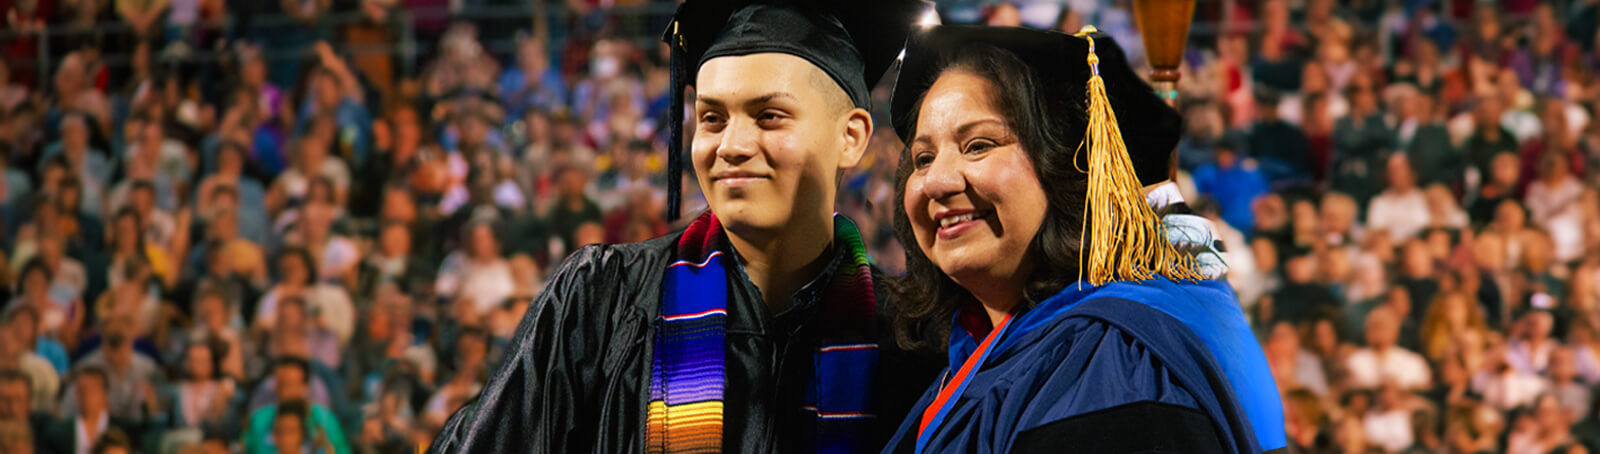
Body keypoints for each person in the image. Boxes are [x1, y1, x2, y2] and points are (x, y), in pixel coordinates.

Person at [428, 0, 938, 452]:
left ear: (851, 137)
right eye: (712, 118)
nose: (730, 146)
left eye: (769, 116)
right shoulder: (602, 303)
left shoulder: (910, 342)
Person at [881, 26, 1282, 453]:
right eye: (923, 158)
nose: (937, 181)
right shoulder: (975, 355)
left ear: (1075, 168)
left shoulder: (1116, 369)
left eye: (978, 145)